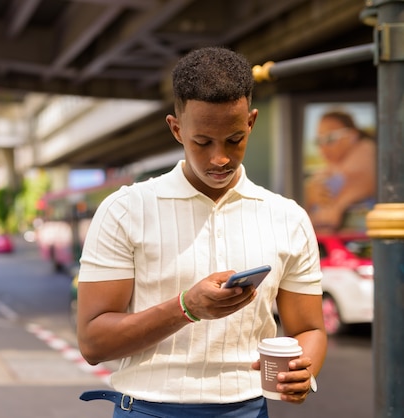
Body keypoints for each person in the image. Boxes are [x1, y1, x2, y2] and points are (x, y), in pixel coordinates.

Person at [76, 46, 327, 417]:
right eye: (202, 142)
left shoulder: (287, 217)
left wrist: (304, 370)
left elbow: (309, 329)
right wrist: (185, 308)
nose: (220, 158)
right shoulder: (125, 210)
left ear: (251, 123)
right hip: (148, 410)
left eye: (235, 139)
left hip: (249, 411)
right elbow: (93, 343)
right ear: (176, 129)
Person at [304, 110, 376, 233]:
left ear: (352, 136)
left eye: (330, 138)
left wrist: (337, 206)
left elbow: (363, 178)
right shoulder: (334, 166)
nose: (323, 146)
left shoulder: (365, 150)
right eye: (319, 140)